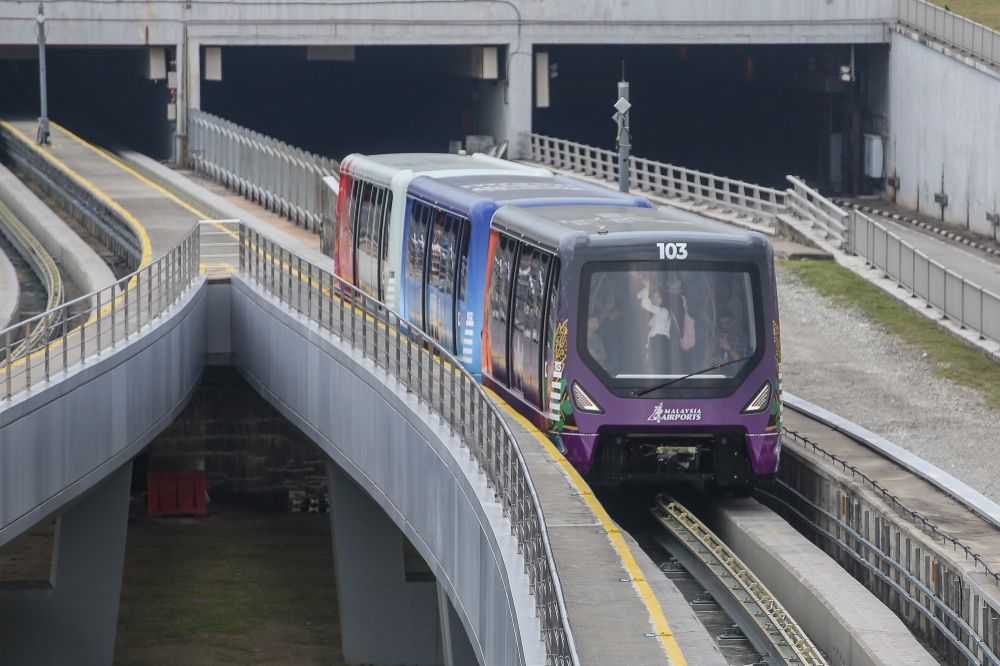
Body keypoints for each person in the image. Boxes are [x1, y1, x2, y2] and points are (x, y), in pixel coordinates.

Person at [637, 282, 675, 372]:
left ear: (663, 298)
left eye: (658, 297)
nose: (655, 299)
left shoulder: (663, 311)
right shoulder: (656, 314)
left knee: (660, 369)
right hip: (656, 343)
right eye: (653, 297)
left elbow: (645, 304)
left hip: (660, 341)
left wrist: (646, 289)